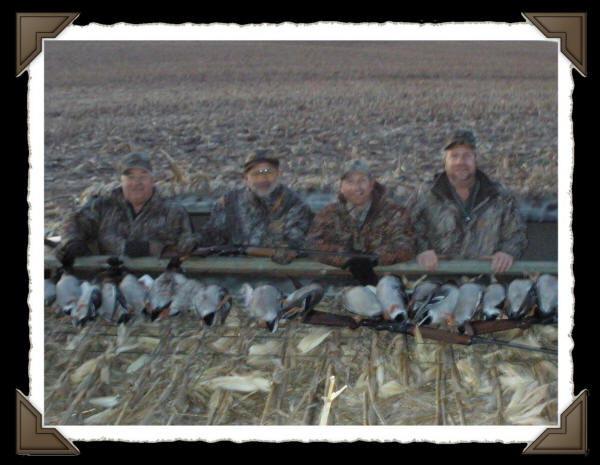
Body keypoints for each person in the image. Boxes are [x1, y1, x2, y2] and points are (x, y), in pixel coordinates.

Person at [408, 129, 527, 273]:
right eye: (454, 156)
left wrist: (507, 253)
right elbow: (408, 230)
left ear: (475, 159)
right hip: (438, 277)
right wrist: (422, 251)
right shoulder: (425, 195)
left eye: (467, 156)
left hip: (488, 278)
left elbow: (516, 234)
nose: (460, 162)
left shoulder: (499, 196)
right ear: (444, 161)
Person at [55, 152, 194, 264]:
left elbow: (188, 242)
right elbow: (72, 222)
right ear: (121, 181)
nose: (137, 183)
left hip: (159, 277)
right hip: (108, 275)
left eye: (143, 176)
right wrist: (71, 242)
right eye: (130, 177)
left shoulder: (173, 211)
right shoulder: (104, 206)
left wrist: (182, 247)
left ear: (152, 180)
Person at [189, 149, 314, 264]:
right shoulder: (229, 202)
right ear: (246, 177)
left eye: (268, 172)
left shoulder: (295, 204)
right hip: (233, 271)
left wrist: (286, 251)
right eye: (255, 174)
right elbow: (212, 233)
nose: (262, 179)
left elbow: (295, 240)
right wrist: (195, 241)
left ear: (279, 174)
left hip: (280, 272)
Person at [305, 158, 414, 284]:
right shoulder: (327, 213)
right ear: (341, 186)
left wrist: (372, 259)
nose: (357, 188)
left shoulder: (394, 212)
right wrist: (348, 258)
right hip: (336, 283)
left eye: (362, 181)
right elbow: (313, 245)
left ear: (371, 184)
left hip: (383, 280)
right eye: (350, 182)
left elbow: (405, 246)